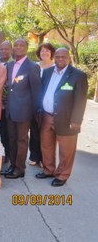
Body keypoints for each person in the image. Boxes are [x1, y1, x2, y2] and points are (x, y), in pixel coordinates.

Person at [36, 48, 88, 187]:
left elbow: (81, 100)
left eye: (63, 57)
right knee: (46, 146)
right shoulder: (47, 72)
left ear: (69, 58)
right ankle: (48, 170)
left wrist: (76, 120)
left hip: (66, 119)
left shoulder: (78, 76)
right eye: (57, 57)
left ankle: (62, 174)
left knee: (66, 150)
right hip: (47, 116)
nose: (60, 59)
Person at [2, 38, 41, 179]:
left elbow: (36, 92)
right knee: (11, 139)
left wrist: (36, 112)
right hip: (10, 111)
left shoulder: (32, 66)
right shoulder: (10, 65)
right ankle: (12, 165)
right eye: (16, 45)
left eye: (21, 45)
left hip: (24, 112)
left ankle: (20, 169)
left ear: (26, 48)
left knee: (21, 140)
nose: (18, 48)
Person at [29, 42, 56, 167]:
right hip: (35, 103)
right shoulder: (35, 66)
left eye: (47, 51)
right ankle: (34, 156)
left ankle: (44, 158)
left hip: (49, 104)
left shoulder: (56, 67)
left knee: (47, 133)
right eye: (42, 51)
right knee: (34, 130)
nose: (44, 53)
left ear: (51, 53)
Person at [0, 41, 13, 161]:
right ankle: (0, 154)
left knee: (9, 132)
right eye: (2, 49)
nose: (4, 51)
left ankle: (9, 154)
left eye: (6, 49)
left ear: (11, 50)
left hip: (11, 104)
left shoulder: (14, 64)